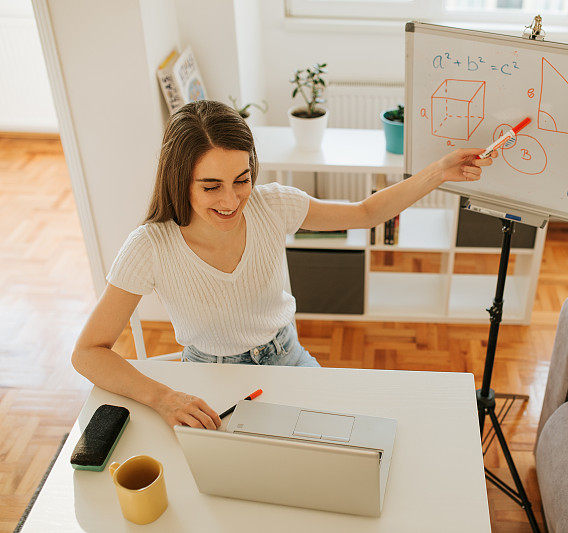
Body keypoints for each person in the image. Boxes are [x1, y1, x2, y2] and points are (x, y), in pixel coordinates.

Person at [71, 100, 496, 431]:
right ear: (178, 179)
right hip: (209, 378)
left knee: (336, 451)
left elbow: (365, 213)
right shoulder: (150, 245)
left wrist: (439, 172)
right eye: (211, 186)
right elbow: (88, 352)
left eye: (242, 178)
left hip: (289, 359)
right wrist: (163, 397)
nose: (231, 200)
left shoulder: (272, 204)